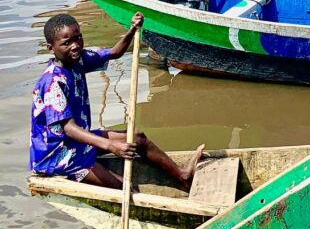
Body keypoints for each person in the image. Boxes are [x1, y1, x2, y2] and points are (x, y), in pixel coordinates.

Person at [30, 12, 204, 189]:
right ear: (51, 48)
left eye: (78, 38)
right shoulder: (52, 83)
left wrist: (133, 30)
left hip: (78, 143)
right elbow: (69, 128)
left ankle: (183, 176)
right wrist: (110, 145)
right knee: (127, 188)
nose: (75, 46)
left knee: (137, 138)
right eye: (66, 43)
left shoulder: (79, 60)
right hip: (59, 155)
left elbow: (114, 52)